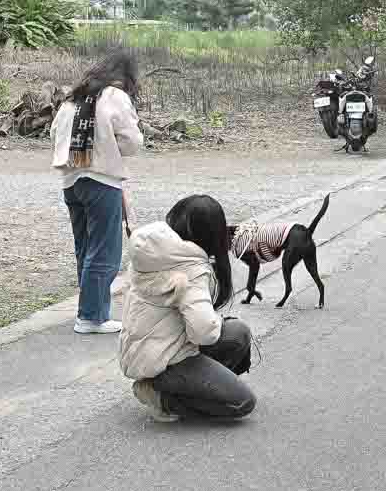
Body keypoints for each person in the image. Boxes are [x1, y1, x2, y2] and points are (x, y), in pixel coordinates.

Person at [120, 194, 255, 423]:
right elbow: (203, 333)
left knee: (238, 332)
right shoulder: (191, 268)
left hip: (142, 351)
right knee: (241, 402)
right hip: (164, 361)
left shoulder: (155, 250)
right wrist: (210, 319)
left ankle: (191, 386)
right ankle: (160, 395)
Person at [51, 50, 145, 335]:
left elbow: (55, 135)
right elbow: (131, 142)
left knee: (86, 247)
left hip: (71, 180)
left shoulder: (72, 97)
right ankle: (91, 317)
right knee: (105, 249)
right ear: (124, 76)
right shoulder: (115, 96)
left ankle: (91, 309)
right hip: (101, 179)